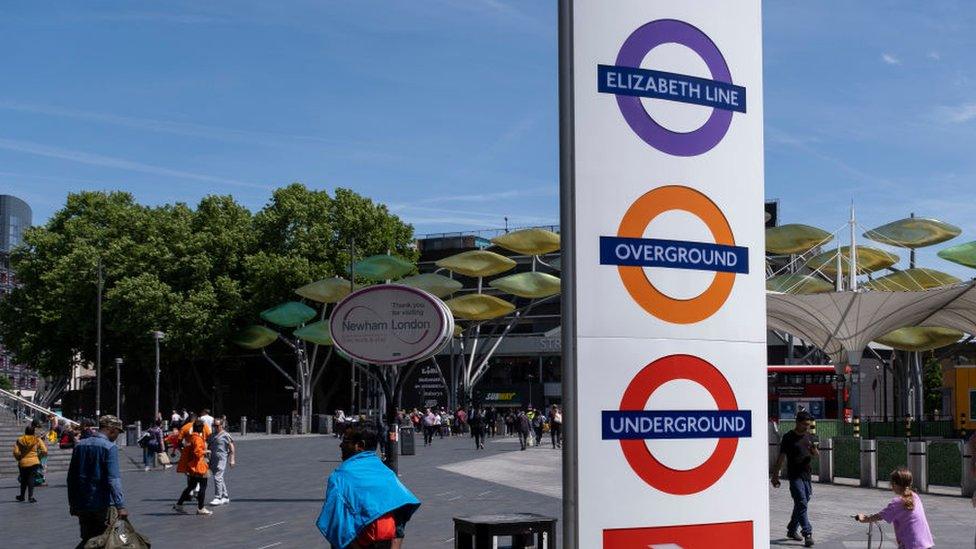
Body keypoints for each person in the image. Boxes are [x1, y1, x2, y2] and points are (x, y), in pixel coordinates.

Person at [316, 423, 421, 548]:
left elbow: (337, 525)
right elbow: (399, 519)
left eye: (346, 441)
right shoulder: (387, 474)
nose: (341, 445)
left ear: (360, 445)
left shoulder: (340, 477)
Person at [67, 415, 126, 549]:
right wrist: (120, 505)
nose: (117, 436)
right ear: (111, 430)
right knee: (107, 539)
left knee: (88, 537)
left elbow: (71, 478)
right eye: (118, 432)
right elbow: (113, 479)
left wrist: (72, 503)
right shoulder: (109, 448)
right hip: (104, 504)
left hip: (83, 503)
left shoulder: (80, 446)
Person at [771, 411, 819, 547]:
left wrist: (814, 449)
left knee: (801, 503)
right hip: (794, 476)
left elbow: (816, 455)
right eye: (804, 425)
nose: (806, 427)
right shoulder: (788, 437)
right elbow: (781, 458)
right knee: (802, 502)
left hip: (807, 475)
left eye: (808, 425)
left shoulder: (810, 436)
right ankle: (807, 533)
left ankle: (792, 529)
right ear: (797, 422)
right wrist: (775, 476)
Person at [856, 467, 933, 549]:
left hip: (910, 545)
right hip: (925, 544)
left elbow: (880, 516)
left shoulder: (897, 502)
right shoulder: (915, 497)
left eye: (891, 483)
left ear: (895, 484)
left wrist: (863, 519)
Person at [174, 420, 212, 515]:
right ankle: (201, 508)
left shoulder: (192, 437)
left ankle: (179, 504)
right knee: (203, 487)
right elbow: (197, 452)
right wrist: (206, 452)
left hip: (193, 466)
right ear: (201, 428)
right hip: (199, 466)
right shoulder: (198, 438)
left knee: (191, 486)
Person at [13, 423, 47, 503]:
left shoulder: (20, 440)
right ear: (33, 432)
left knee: (23, 479)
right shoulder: (37, 439)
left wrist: (19, 458)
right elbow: (44, 450)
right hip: (34, 462)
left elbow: (15, 452)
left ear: (25, 431)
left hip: (23, 462)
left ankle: (22, 496)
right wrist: (39, 456)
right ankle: (30, 497)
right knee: (31, 478)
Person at [208, 419, 236, 506]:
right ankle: (225, 496)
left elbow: (231, 448)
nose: (215, 427)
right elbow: (208, 445)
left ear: (221, 425)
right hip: (213, 459)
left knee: (217, 477)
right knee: (219, 478)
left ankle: (218, 497)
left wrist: (232, 459)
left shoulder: (225, 435)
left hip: (222, 458)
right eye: (213, 426)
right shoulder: (212, 435)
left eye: (217, 426)